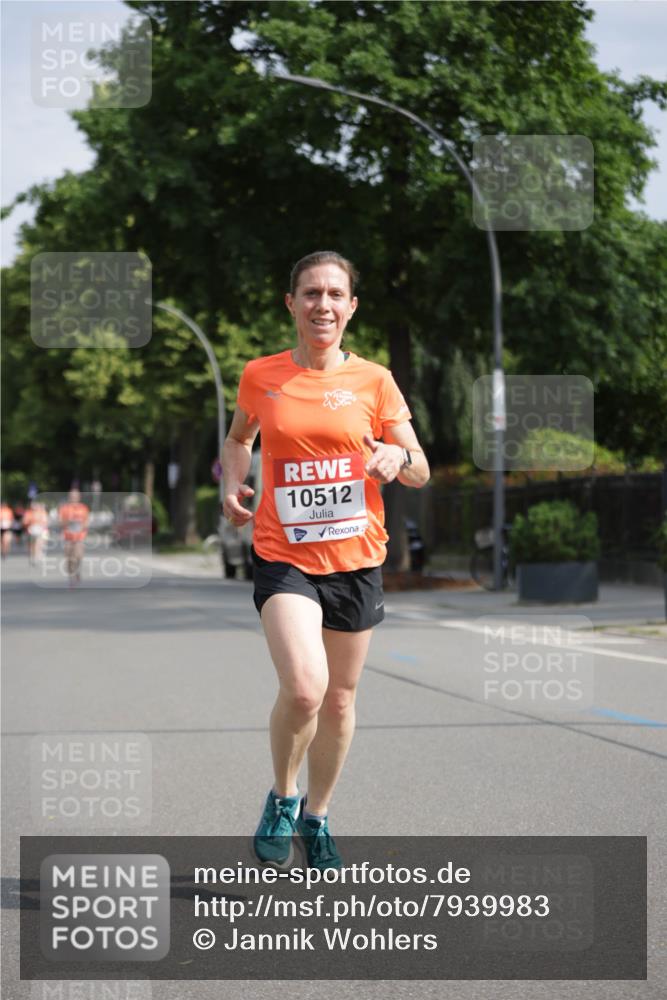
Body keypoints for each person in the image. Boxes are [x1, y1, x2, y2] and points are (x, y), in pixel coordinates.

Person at [221, 251, 430, 870]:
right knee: (307, 689)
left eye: (336, 294)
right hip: (284, 555)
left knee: (340, 699)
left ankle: (317, 815)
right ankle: (282, 800)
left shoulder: (375, 381)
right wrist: (235, 484)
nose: (323, 304)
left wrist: (397, 461)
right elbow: (239, 438)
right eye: (311, 293)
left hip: (356, 559)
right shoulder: (261, 375)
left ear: (351, 307)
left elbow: (418, 465)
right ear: (291, 303)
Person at [58, 488, 90, 587]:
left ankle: (77, 571)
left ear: (79, 497)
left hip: (80, 536)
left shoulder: (84, 508)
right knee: (69, 558)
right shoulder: (64, 508)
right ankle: (71, 578)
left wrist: (82, 526)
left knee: (78, 555)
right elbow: (60, 523)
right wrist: (69, 522)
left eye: (75, 496)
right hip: (68, 536)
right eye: (72, 496)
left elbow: (86, 522)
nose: (74, 498)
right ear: (69, 497)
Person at [23, 500, 49, 565]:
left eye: (35, 504)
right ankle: (33, 556)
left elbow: (45, 522)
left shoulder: (42, 512)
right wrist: (28, 526)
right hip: (31, 530)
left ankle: (37, 556)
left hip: (40, 530)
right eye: (33, 504)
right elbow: (25, 522)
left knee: (39, 543)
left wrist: (44, 528)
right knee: (32, 545)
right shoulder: (28, 513)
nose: (34, 506)